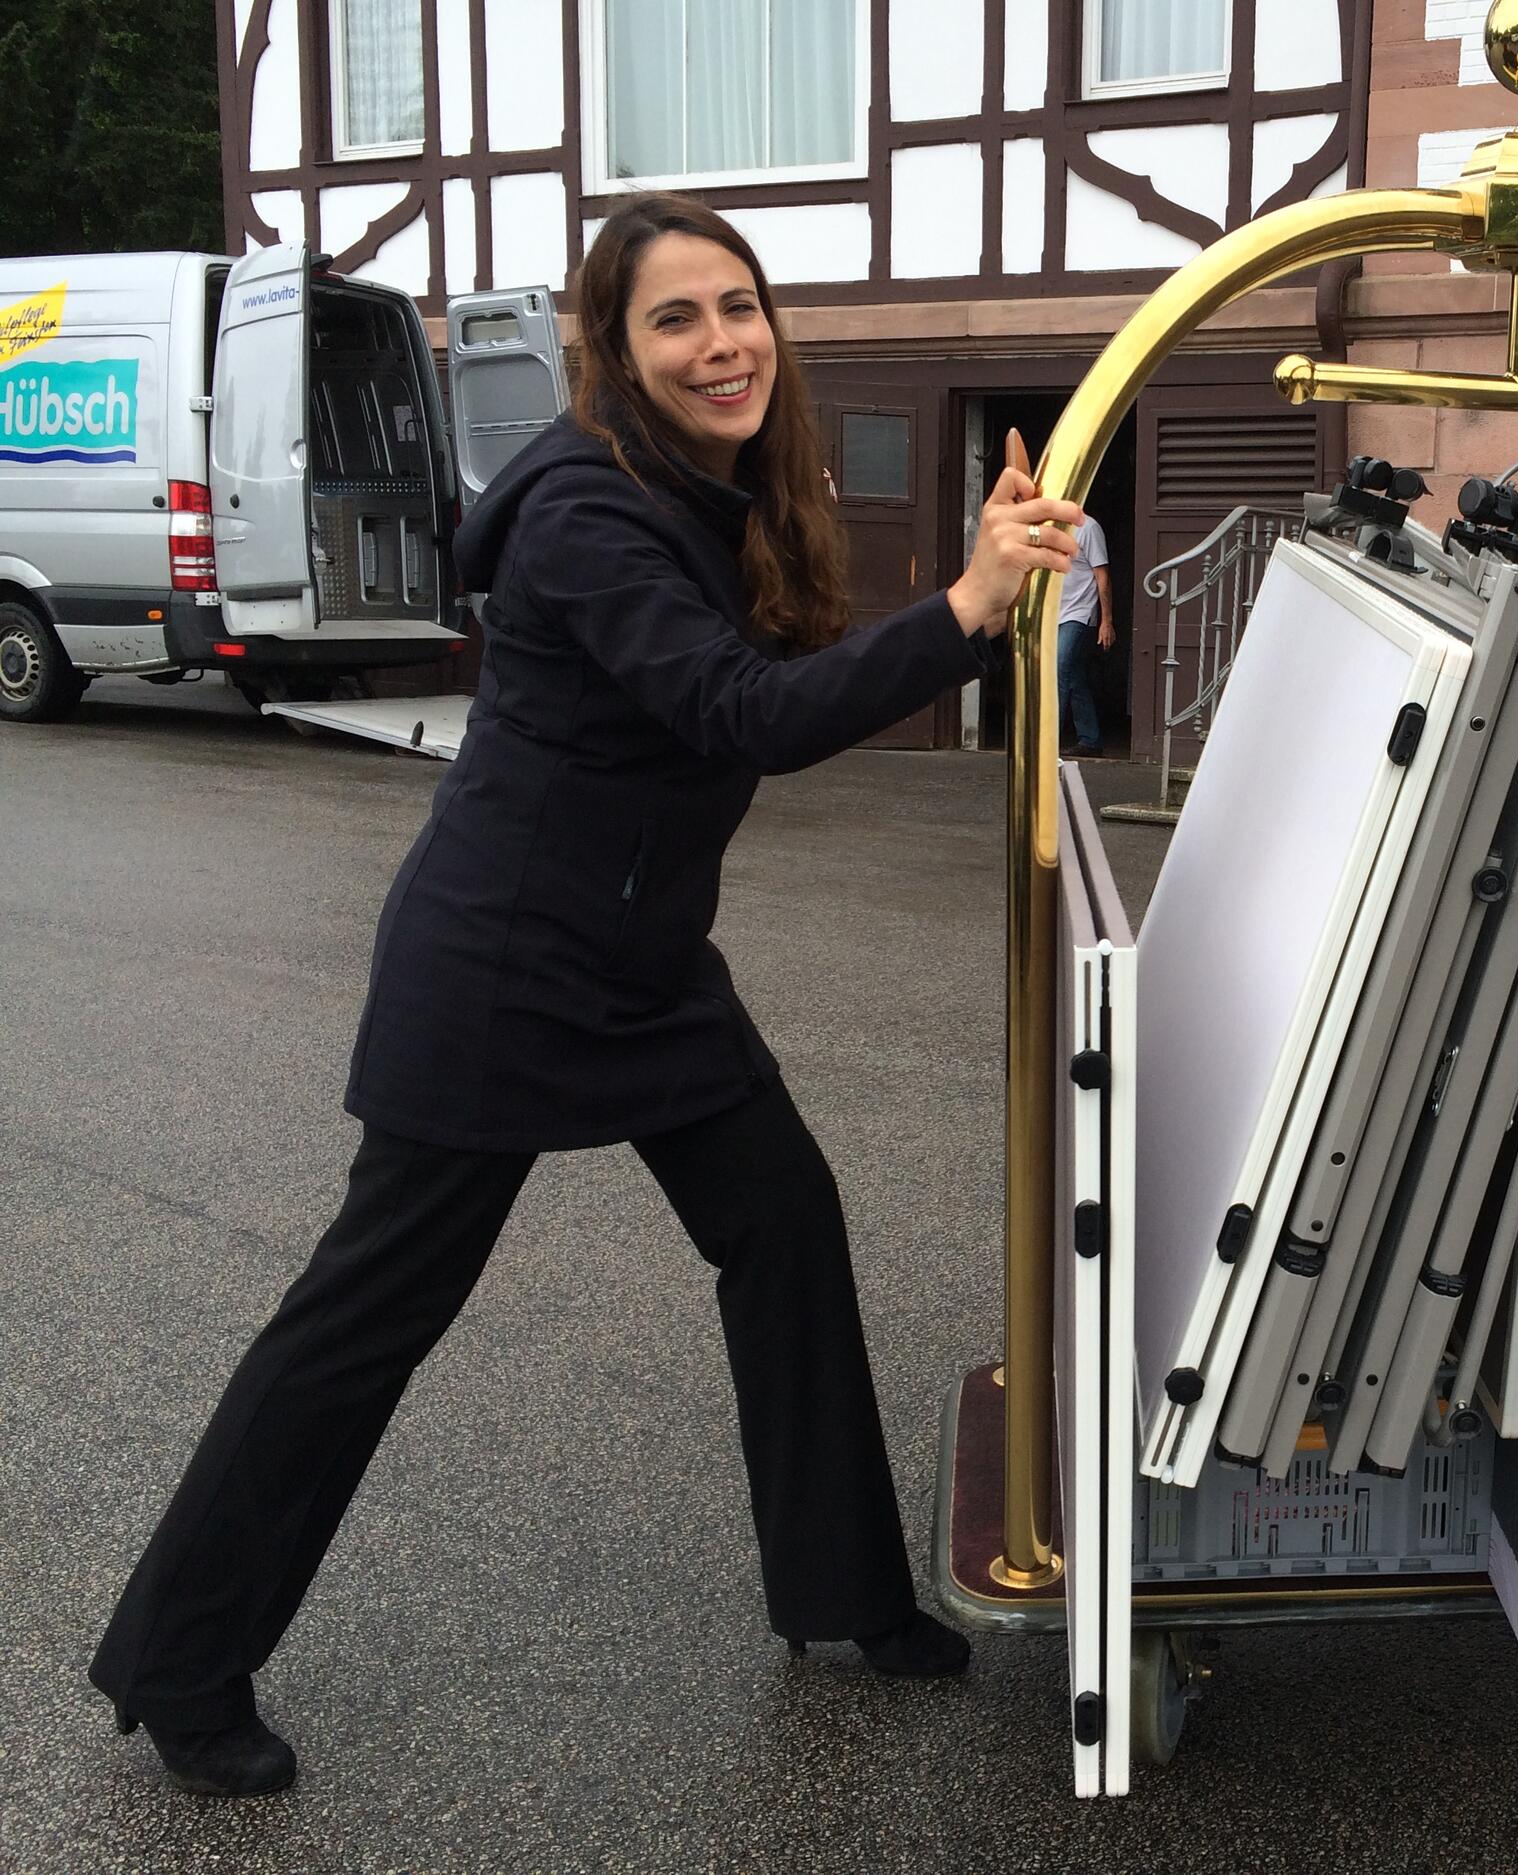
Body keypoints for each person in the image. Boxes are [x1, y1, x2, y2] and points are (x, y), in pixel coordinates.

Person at [86, 193, 1087, 1800]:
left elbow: (769, 673)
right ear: (611, 353)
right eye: (675, 319)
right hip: (500, 971)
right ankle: (178, 1661)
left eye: (739, 306)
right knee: (364, 1321)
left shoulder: (711, 483)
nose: (721, 343)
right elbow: (740, 711)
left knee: (785, 1223)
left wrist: (973, 587)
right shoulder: (585, 510)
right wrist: (965, 609)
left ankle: (842, 1595)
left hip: (640, 963)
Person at [1057, 509, 1114, 756]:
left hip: (1078, 614)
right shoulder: (1046, 527)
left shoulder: (1088, 527)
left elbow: (1102, 576)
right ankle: (1090, 740)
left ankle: (1046, 741)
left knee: (1059, 669)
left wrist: (1106, 621)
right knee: (1074, 676)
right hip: (1051, 615)